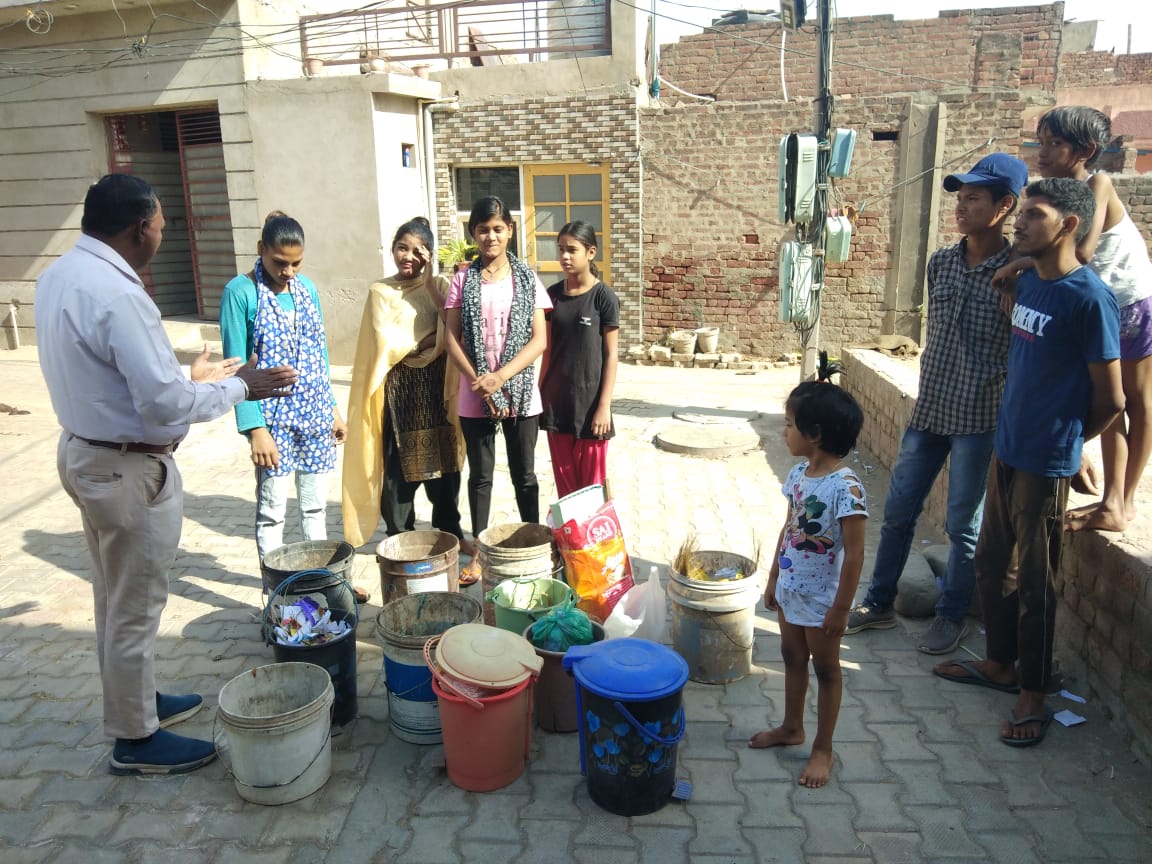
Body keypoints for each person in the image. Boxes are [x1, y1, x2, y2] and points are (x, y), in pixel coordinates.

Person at [36, 174, 297, 775]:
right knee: (135, 605)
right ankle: (135, 739)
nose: (162, 232)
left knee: (113, 594)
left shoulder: (60, 276)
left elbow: (120, 383)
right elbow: (164, 407)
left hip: (86, 452)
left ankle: (138, 701)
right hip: (126, 469)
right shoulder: (120, 295)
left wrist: (190, 379)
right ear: (137, 229)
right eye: (159, 223)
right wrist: (240, 386)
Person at [935, 178, 1124, 747]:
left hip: (1044, 459)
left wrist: (1069, 443)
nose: (1018, 222)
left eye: (1034, 215)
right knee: (991, 565)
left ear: (1068, 225)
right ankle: (998, 663)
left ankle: (1034, 692)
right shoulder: (1031, 281)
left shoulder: (1088, 299)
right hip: (1007, 446)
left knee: (1035, 582)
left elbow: (1113, 399)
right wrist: (1010, 271)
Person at [845, 154, 1028, 655]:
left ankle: (951, 616)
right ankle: (880, 603)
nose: (961, 207)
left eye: (974, 198)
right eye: (959, 197)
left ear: (1004, 206)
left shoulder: (1017, 276)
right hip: (930, 411)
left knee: (961, 526)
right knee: (899, 510)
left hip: (978, 416)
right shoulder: (942, 262)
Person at [1009, 107, 1152, 534]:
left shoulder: (1098, 184)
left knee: (1136, 401)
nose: (1043, 151)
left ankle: (1120, 502)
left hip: (1129, 300)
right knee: (1105, 402)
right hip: (1094, 308)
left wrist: (1017, 267)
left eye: (1055, 143)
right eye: (1041, 141)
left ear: (1086, 150)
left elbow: (1083, 254)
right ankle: (1110, 500)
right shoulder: (1050, 195)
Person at [220, 212, 350, 592]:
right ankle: (275, 591)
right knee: (272, 510)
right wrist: (254, 429)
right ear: (261, 250)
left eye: (296, 263)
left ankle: (319, 583)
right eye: (280, 262)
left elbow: (319, 352)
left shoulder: (306, 289)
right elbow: (235, 367)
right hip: (272, 421)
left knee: (314, 507)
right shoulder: (240, 293)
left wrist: (333, 410)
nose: (288, 271)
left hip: (314, 415)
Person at [751, 381, 868, 788]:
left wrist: (840, 608)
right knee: (791, 655)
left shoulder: (847, 487)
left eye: (789, 425)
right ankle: (791, 727)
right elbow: (789, 526)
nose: (784, 432)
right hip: (790, 588)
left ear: (814, 434)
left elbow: (854, 554)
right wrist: (772, 577)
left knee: (828, 671)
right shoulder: (800, 473)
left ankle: (823, 748)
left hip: (822, 600)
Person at [342, 217, 473, 569]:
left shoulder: (443, 286)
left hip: (437, 393)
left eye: (419, 251)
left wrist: (431, 288)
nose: (409, 257)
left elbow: (454, 329)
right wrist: (431, 338)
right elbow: (388, 343)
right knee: (398, 471)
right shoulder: (380, 293)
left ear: (430, 256)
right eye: (403, 248)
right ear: (392, 249)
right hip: (398, 398)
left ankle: (450, 531)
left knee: (445, 466)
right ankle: (400, 536)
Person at [443, 196, 551, 583]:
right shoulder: (462, 279)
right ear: (473, 233)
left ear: (510, 231)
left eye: (498, 228)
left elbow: (539, 340)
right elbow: (451, 338)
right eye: (483, 229)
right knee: (481, 476)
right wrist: (481, 381)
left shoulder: (527, 277)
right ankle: (480, 554)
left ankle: (534, 547)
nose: (491, 236)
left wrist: (500, 377)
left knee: (525, 475)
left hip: (520, 392)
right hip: (475, 392)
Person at [540, 220, 620, 498]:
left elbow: (611, 355)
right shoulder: (552, 296)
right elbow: (547, 350)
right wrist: (540, 395)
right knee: (566, 489)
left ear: (591, 252)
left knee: (592, 490)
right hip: (557, 405)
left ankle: (595, 542)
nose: (564, 256)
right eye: (560, 249)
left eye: (572, 250)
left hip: (590, 408)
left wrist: (604, 407)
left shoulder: (604, 297)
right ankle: (570, 542)